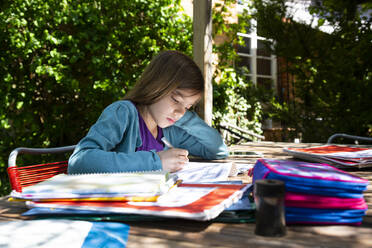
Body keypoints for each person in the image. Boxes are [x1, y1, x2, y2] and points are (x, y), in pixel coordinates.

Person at [68, 50, 228, 174]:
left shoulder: (169, 130)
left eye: (187, 107)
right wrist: (156, 161)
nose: (180, 112)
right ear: (156, 86)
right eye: (176, 100)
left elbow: (218, 150)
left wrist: (185, 117)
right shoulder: (123, 114)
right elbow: (80, 162)